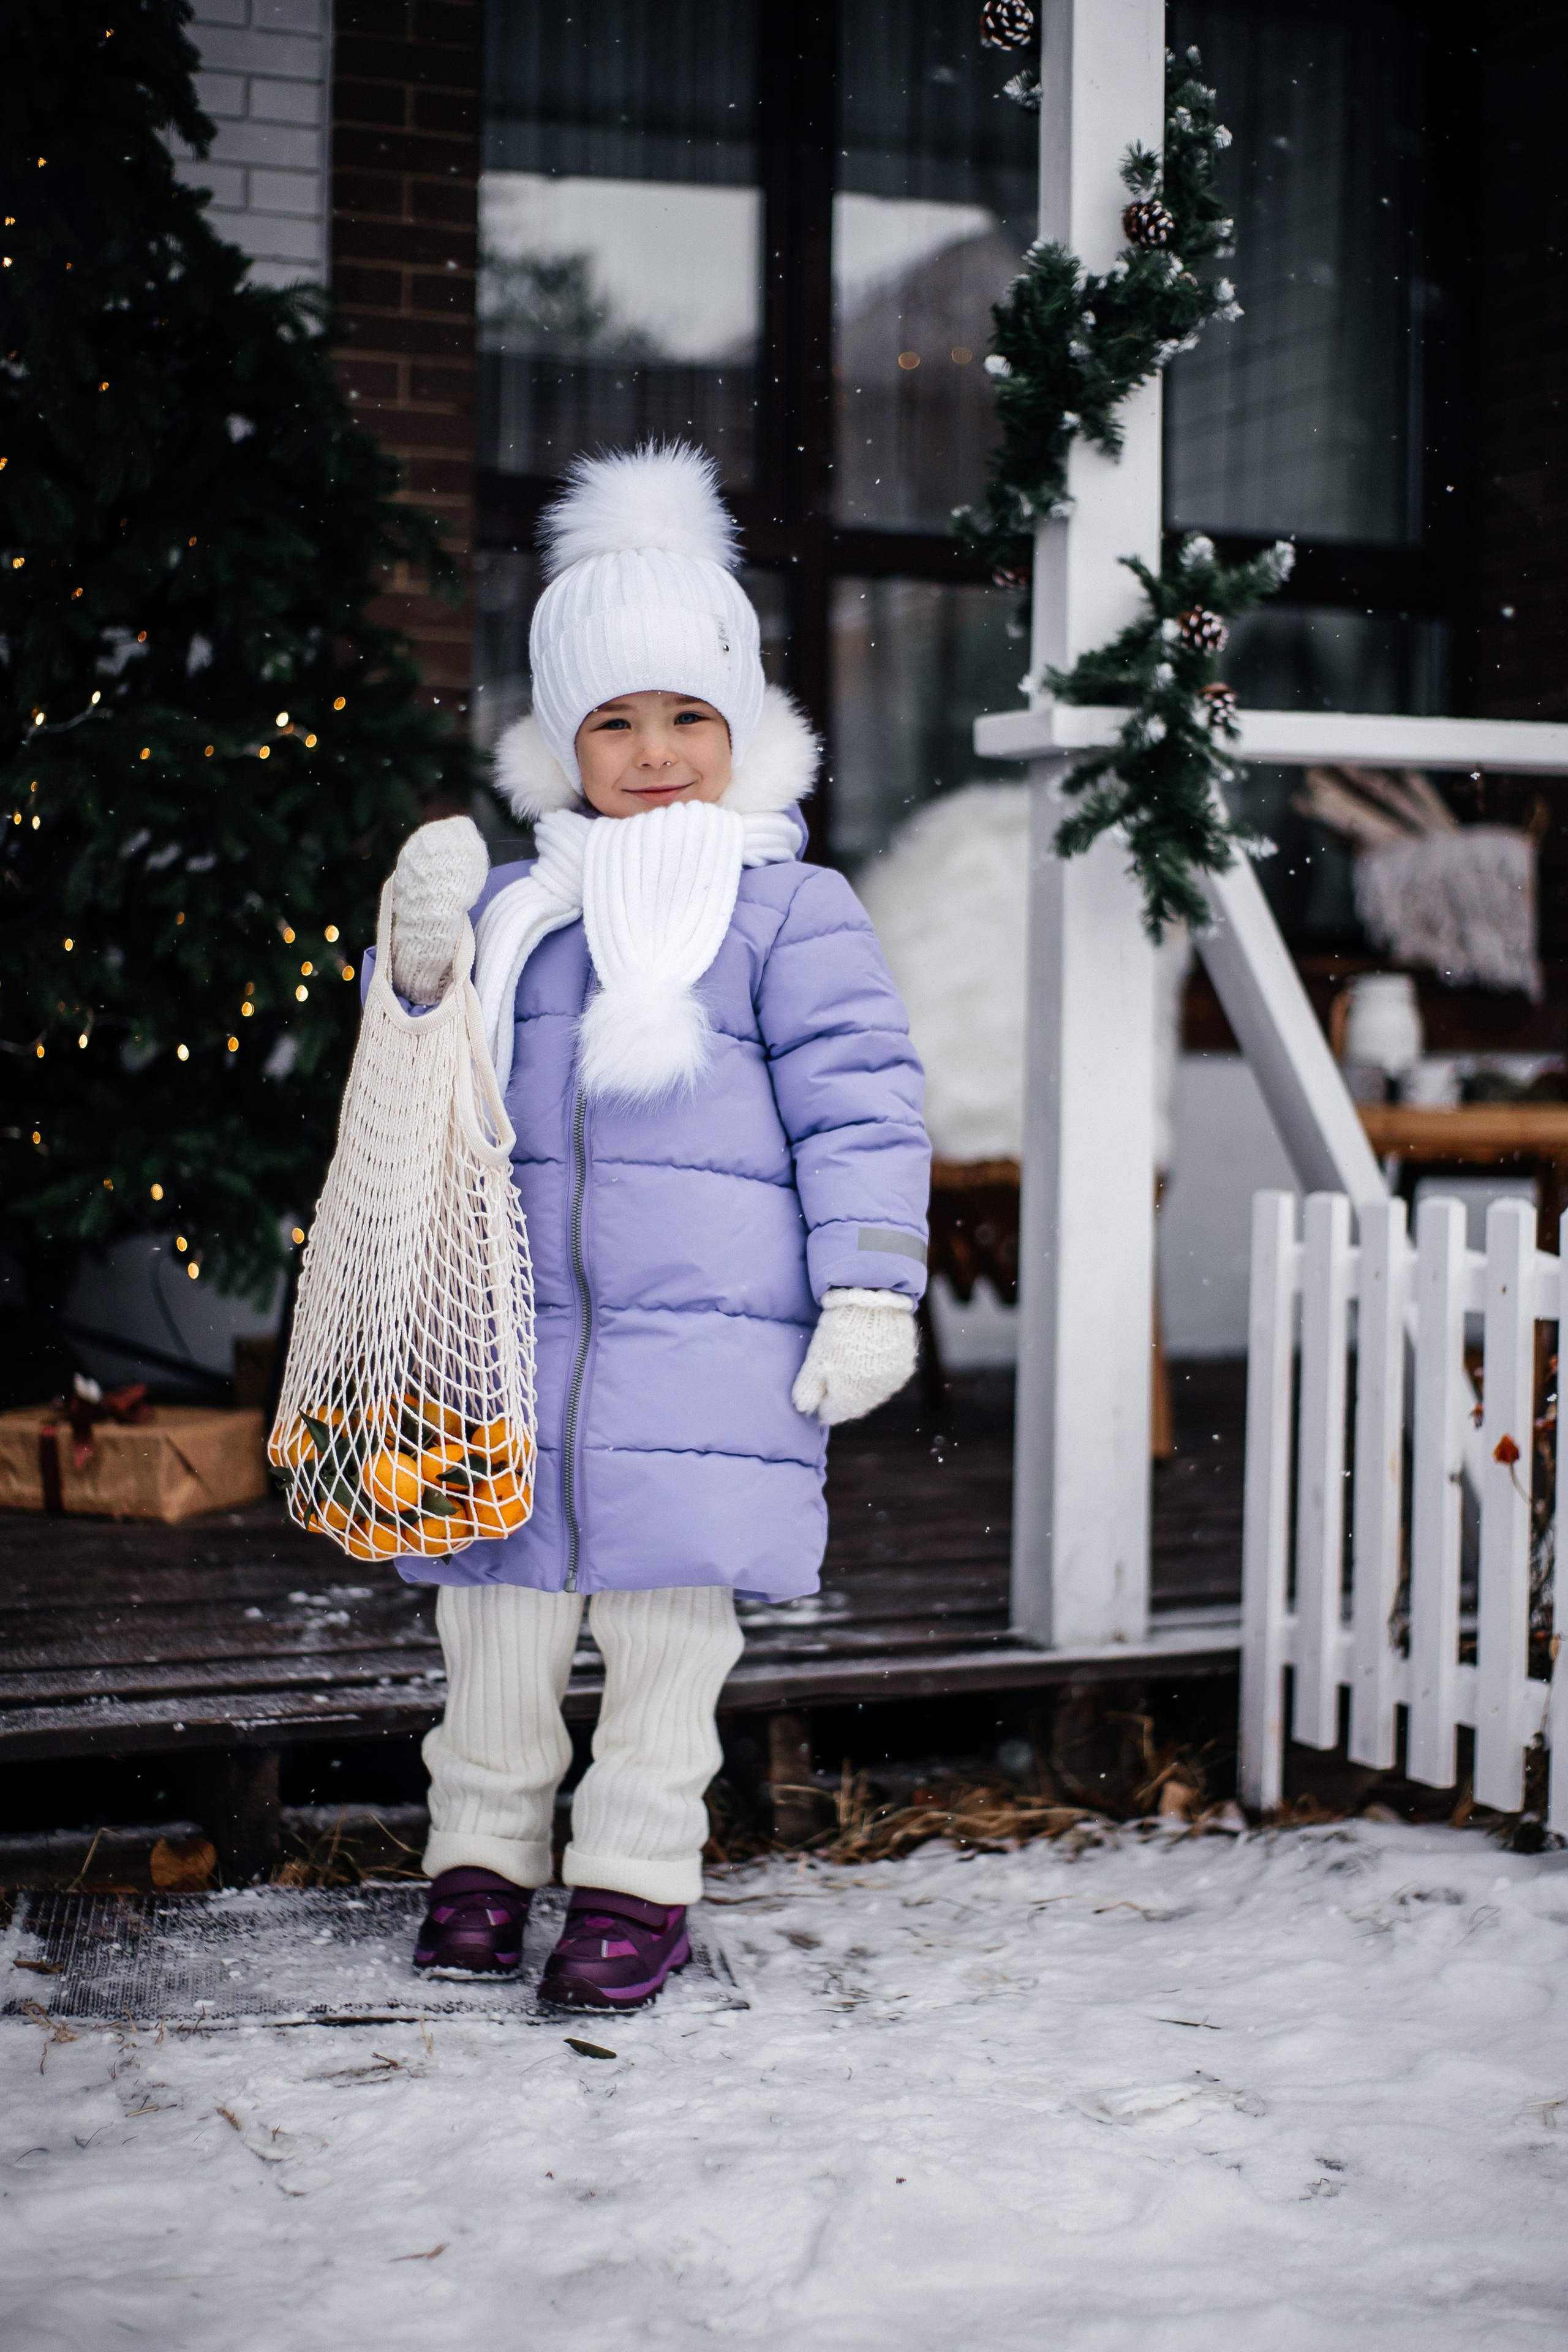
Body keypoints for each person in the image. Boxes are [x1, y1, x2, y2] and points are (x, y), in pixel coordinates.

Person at [385, 442, 930, 2008]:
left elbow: (862, 1104)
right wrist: (418, 968)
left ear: (741, 727)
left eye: (688, 715)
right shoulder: (516, 908)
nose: (654, 750)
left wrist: (869, 1287)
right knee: (492, 1626)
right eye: (612, 722)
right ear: (562, 743)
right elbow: (416, 1082)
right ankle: (481, 1858)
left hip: (704, 1360)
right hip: (511, 1350)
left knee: (664, 1643)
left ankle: (633, 1880)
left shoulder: (786, 913)